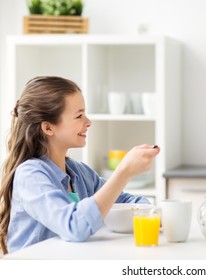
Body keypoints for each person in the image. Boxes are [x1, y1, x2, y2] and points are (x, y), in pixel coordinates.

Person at [0, 76, 160, 254]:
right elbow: (74, 226)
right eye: (79, 115)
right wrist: (123, 172)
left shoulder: (80, 172)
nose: (88, 121)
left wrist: (152, 213)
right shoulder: (30, 176)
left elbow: (129, 202)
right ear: (48, 128)